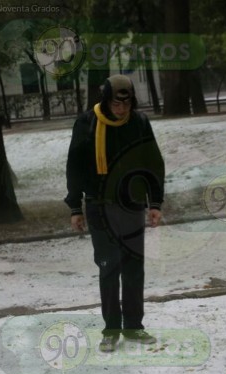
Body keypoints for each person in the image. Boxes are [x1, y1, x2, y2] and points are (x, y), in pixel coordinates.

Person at [65, 74, 165, 352]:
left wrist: (155, 203)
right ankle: (111, 328)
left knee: (134, 267)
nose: (121, 110)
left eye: (127, 104)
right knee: (109, 266)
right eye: (116, 104)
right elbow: (74, 166)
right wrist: (75, 206)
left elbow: (153, 163)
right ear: (105, 100)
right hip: (99, 205)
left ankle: (134, 326)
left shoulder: (140, 122)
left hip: (132, 205)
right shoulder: (86, 123)